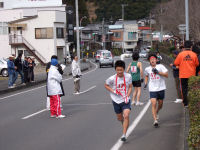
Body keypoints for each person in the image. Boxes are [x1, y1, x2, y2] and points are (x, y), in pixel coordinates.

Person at [105, 60, 132, 142]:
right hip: (115, 100)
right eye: (118, 70)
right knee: (120, 118)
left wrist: (127, 95)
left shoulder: (128, 76)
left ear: (124, 69)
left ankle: (124, 135)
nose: (119, 72)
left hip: (125, 100)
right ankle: (124, 124)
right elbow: (106, 85)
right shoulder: (112, 78)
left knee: (126, 115)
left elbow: (130, 87)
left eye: (121, 70)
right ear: (115, 70)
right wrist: (113, 91)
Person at [144, 53, 168, 127]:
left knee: (160, 104)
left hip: (161, 88)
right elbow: (146, 76)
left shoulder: (161, 66)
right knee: (153, 103)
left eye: (154, 59)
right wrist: (145, 83)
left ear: (156, 60)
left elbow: (167, 75)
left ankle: (157, 111)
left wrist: (158, 72)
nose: (152, 60)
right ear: (149, 61)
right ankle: (155, 120)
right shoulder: (147, 69)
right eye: (151, 60)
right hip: (152, 89)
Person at [174, 41, 199, 107]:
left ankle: (186, 103)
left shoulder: (180, 54)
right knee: (192, 88)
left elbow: (176, 63)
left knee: (184, 89)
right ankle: (192, 102)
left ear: (184, 47)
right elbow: (197, 64)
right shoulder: (194, 54)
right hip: (192, 75)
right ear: (191, 47)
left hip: (183, 75)